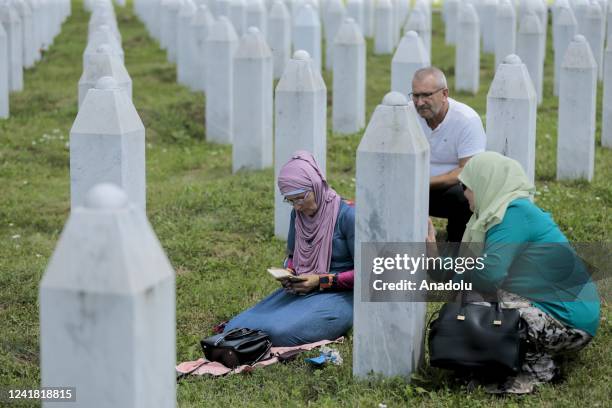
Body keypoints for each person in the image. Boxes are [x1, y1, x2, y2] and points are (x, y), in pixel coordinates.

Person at [426, 152, 600, 394]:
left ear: (486, 183)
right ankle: (505, 358)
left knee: (474, 302)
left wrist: (456, 280)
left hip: (569, 321)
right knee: (470, 298)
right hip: (553, 311)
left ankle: (537, 369)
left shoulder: (513, 214)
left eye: (467, 187)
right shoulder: (500, 213)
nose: (464, 194)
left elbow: (488, 273)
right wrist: (436, 260)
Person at [223, 151, 355, 346]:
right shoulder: (299, 216)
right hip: (304, 288)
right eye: (290, 200)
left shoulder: (348, 216)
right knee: (235, 327)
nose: (297, 207)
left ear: (315, 186)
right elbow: (293, 255)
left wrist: (320, 280)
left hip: (342, 293)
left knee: (281, 333)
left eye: (300, 198)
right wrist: (291, 273)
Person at [412, 66, 486, 242]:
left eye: (427, 95)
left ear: (444, 94)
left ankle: (456, 248)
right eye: (416, 95)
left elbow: (467, 170)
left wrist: (423, 183)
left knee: (466, 196)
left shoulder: (466, 120)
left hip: (447, 187)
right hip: (410, 186)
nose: (420, 102)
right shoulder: (406, 115)